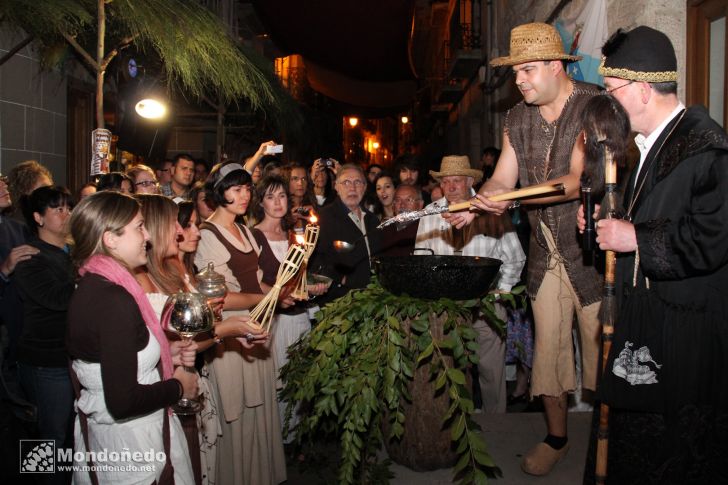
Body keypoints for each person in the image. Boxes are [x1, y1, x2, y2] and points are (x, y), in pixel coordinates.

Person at [447, 22, 601, 476]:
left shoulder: (595, 106)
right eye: (516, 72)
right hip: (543, 253)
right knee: (548, 355)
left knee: (603, 355)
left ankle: (614, 433)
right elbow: (501, 180)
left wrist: (506, 199)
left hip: (592, 252)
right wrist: (479, 203)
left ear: (557, 66)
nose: (520, 80)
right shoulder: (516, 118)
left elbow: (576, 182)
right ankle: (556, 438)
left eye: (528, 70)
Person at [577, 26, 728, 484]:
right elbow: (641, 221)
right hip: (647, 320)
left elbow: (712, 239)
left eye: (613, 91)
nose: (608, 103)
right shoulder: (645, 148)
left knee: (677, 453)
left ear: (642, 90)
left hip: (687, 336)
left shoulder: (707, 148)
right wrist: (604, 225)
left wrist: (635, 238)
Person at [66, 191, 198, 484]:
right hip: (132, 450)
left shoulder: (97, 283)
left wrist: (168, 352)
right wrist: (179, 386)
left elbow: (118, 355)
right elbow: (122, 401)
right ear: (111, 240)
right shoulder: (113, 298)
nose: (147, 236)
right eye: (139, 227)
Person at [135, 194, 265, 485]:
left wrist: (227, 329)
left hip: (191, 377)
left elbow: (190, 340)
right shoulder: (144, 280)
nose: (183, 232)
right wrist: (225, 329)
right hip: (164, 388)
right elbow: (176, 344)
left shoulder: (175, 272)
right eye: (177, 225)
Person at [194, 161, 287, 485]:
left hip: (255, 328)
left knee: (259, 406)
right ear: (219, 192)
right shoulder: (207, 234)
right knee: (236, 407)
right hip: (232, 334)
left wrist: (282, 292)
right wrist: (269, 298)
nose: (245, 195)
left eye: (248, 188)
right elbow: (222, 297)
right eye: (236, 189)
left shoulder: (246, 230)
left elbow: (256, 282)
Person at [416, 155, 525, 413]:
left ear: (469, 182)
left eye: (457, 181)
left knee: (491, 373)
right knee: (451, 373)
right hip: (444, 309)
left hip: (485, 307)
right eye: (446, 182)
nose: (451, 187)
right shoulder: (430, 214)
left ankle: (497, 428)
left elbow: (516, 258)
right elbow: (420, 259)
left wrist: (500, 293)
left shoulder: (491, 211)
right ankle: (456, 427)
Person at [251, 175, 327, 441]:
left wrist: (312, 288)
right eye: (270, 197)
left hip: (299, 318)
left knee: (300, 380)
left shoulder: (295, 235)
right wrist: (277, 294)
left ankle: (295, 439)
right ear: (260, 202)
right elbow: (252, 282)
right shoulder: (253, 236)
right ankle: (275, 442)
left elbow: (300, 279)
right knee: (275, 384)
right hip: (273, 323)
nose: (277, 202)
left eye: (281, 196)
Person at [14, 186, 75, 467]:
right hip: (47, 360)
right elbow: (56, 299)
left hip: (72, 356)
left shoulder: (73, 251)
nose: (67, 214)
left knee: (71, 438)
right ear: (38, 217)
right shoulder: (30, 256)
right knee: (50, 440)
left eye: (68, 208)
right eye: (58, 209)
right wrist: (89, 277)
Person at [310, 164, 382, 306]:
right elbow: (314, 259)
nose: (352, 188)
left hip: (373, 299)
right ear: (336, 187)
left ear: (365, 187)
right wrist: (342, 279)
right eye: (346, 182)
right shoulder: (325, 217)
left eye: (357, 182)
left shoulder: (373, 220)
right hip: (340, 303)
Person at [379, 184, 424, 257]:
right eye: (398, 200)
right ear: (393, 205)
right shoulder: (386, 229)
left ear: (420, 205)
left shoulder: (426, 229)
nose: (402, 205)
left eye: (408, 200)